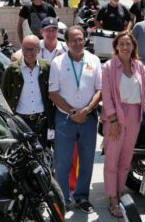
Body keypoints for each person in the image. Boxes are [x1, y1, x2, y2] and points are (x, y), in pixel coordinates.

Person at [48, 26, 102, 213]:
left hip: (88, 118)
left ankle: (81, 197)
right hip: (65, 118)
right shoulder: (57, 62)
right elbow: (53, 93)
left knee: (86, 160)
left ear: (85, 39)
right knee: (62, 162)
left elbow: (99, 90)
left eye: (81, 39)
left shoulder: (94, 60)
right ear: (67, 42)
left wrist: (86, 110)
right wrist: (73, 112)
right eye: (73, 40)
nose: (78, 43)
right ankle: (63, 198)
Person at [101, 33, 145, 218]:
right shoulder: (109, 67)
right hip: (116, 116)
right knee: (112, 159)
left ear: (133, 46)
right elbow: (106, 95)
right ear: (116, 46)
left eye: (129, 43)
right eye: (122, 44)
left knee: (126, 160)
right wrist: (112, 120)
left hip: (135, 114)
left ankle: (120, 193)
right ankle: (112, 198)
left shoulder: (139, 66)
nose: (126, 47)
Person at [1, 35, 53, 141]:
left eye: (32, 49)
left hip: (42, 121)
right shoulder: (12, 69)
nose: (28, 53)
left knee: (40, 153)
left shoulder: (47, 68)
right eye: (25, 49)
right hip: (20, 121)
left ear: (38, 49)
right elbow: (4, 94)